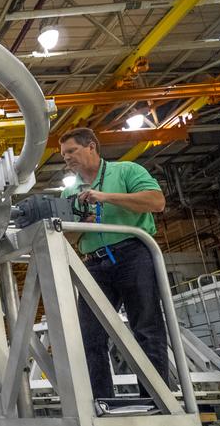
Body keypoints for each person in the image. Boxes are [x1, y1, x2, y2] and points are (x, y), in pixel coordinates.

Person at [58, 127, 167, 404]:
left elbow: (156, 202)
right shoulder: (69, 192)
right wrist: (83, 225)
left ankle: (155, 400)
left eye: (72, 151)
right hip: (94, 263)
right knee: (90, 336)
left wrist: (105, 197)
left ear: (91, 146)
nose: (66, 158)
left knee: (146, 328)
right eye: (63, 155)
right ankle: (100, 402)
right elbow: (66, 235)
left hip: (132, 254)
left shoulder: (126, 171)